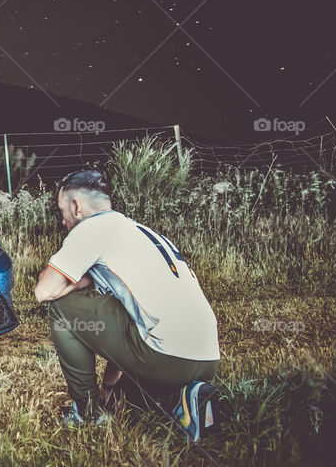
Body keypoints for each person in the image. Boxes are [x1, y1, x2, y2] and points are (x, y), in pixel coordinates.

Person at [33, 169, 220, 441]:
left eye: (62, 210)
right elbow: (123, 318)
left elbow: (45, 291)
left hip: (166, 357)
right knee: (129, 400)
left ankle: (87, 413)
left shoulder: (90, 228)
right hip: (206, 358)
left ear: (76, 206)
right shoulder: (136, 230)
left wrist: (76, 280)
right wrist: (110, 386)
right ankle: (185, 397)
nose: (63, 221)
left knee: (63, 308)